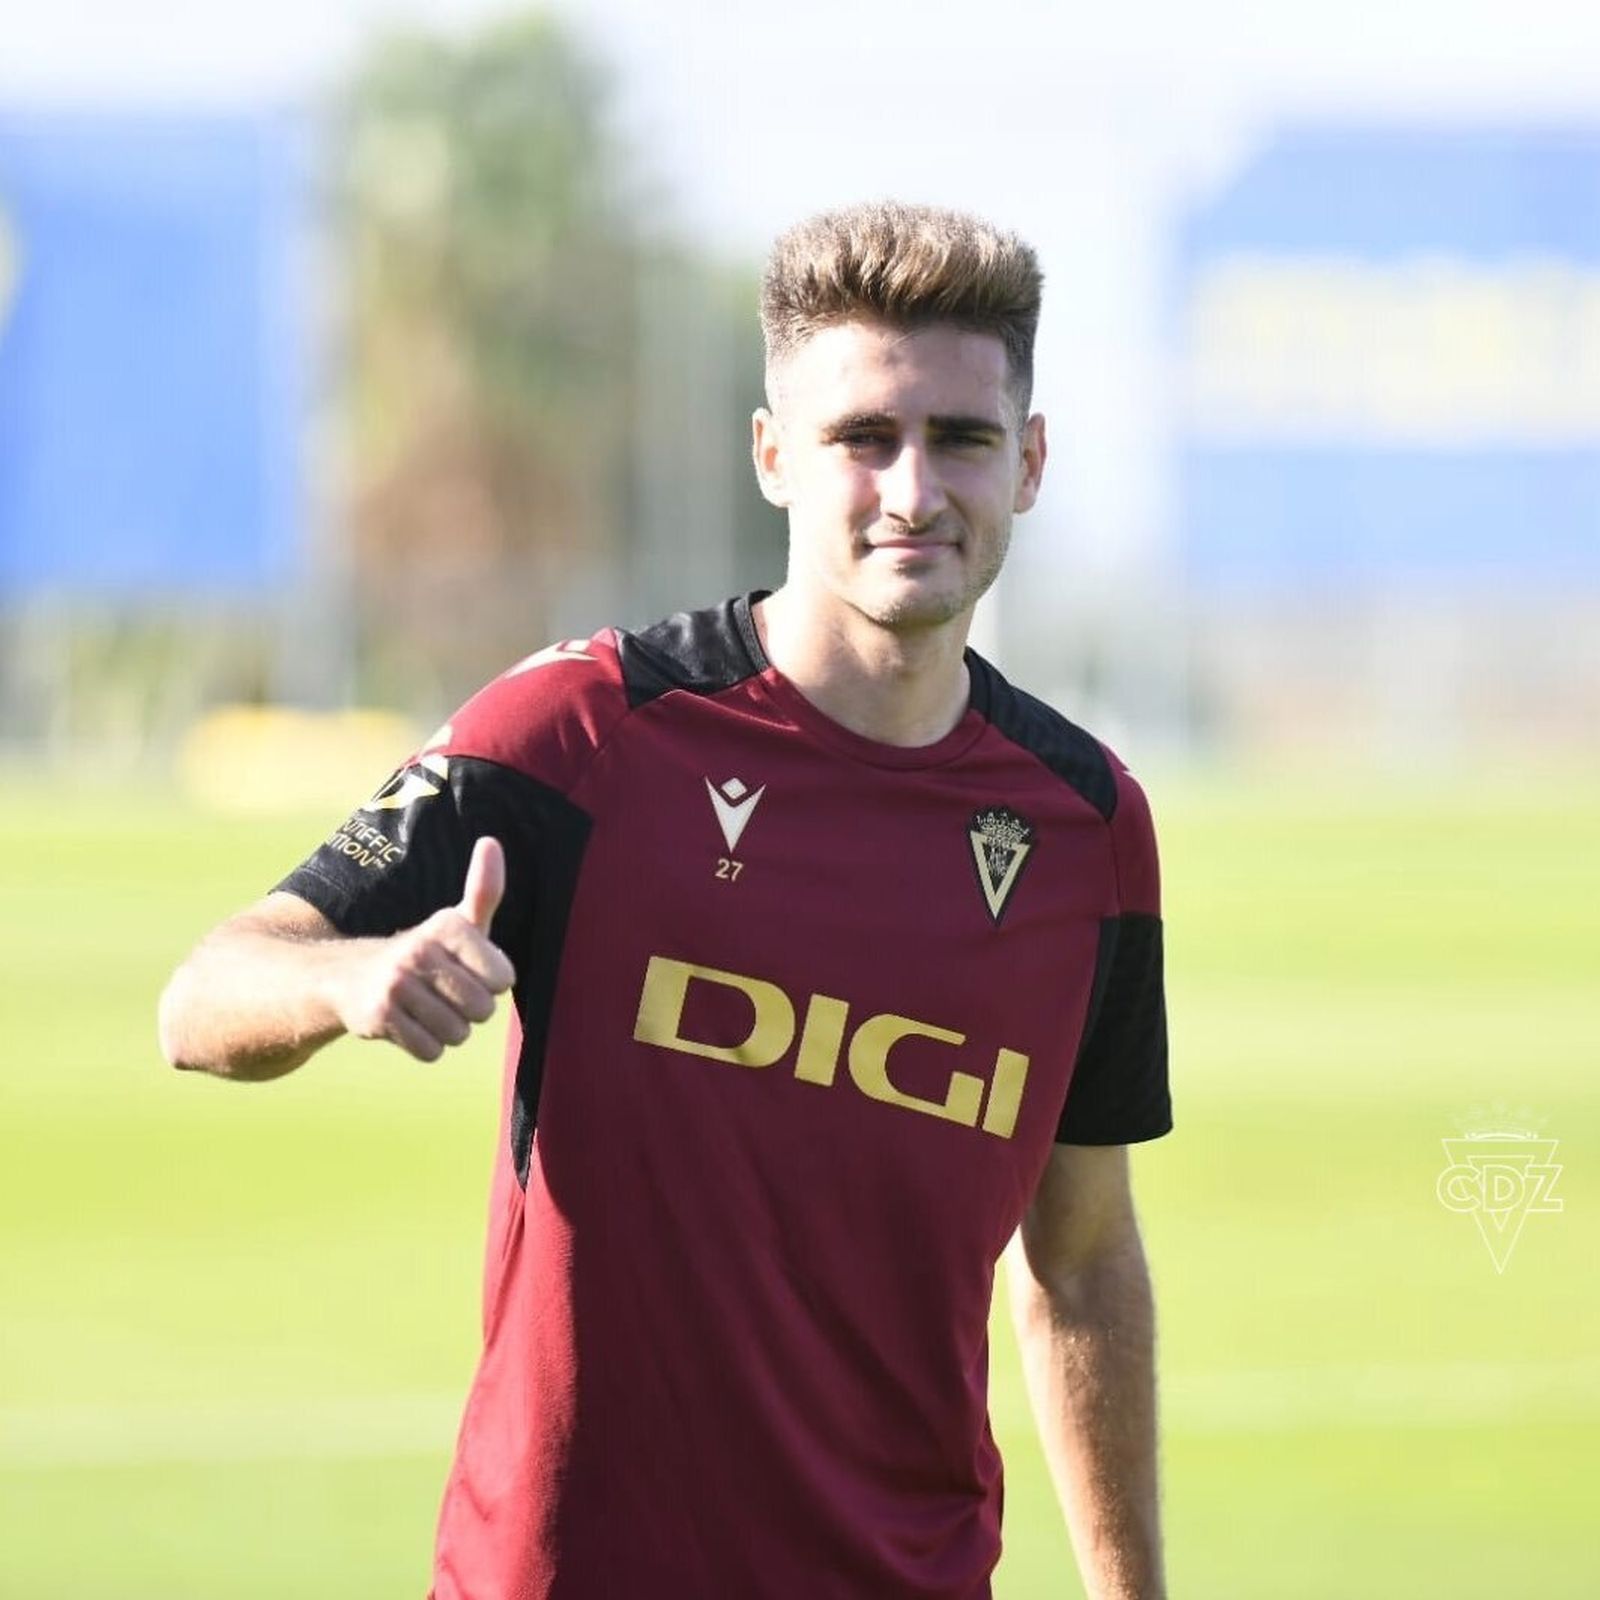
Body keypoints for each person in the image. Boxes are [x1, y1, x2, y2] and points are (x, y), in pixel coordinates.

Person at [159, 201, 1171, 1600]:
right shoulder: (585, 732)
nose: (913, 490)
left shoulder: (1087, 827)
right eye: (861, 438)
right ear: (773, 455)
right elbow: (203, 994)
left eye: (963, 439)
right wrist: (351, 981)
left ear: (1032, 461)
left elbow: (1083, 1256)